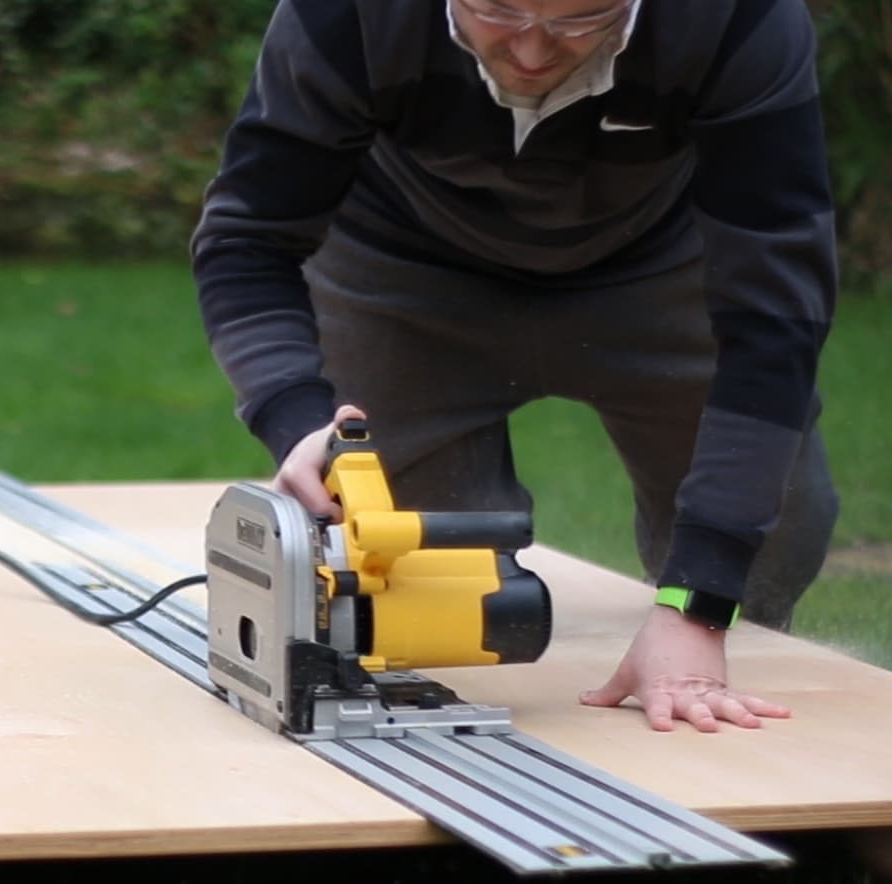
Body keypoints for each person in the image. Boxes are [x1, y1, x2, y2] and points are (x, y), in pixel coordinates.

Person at [190, 0, 839, 733]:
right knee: (409, 573)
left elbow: (777, 309)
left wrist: (700, 600)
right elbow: (246, 241)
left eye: (581, 20)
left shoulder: (735, 18)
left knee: (770, 534)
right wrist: (300, 422)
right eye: (497, 10)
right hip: (404, 272)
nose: (532, 52)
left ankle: (709, 635)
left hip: (659, 268)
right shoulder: (348, 14)